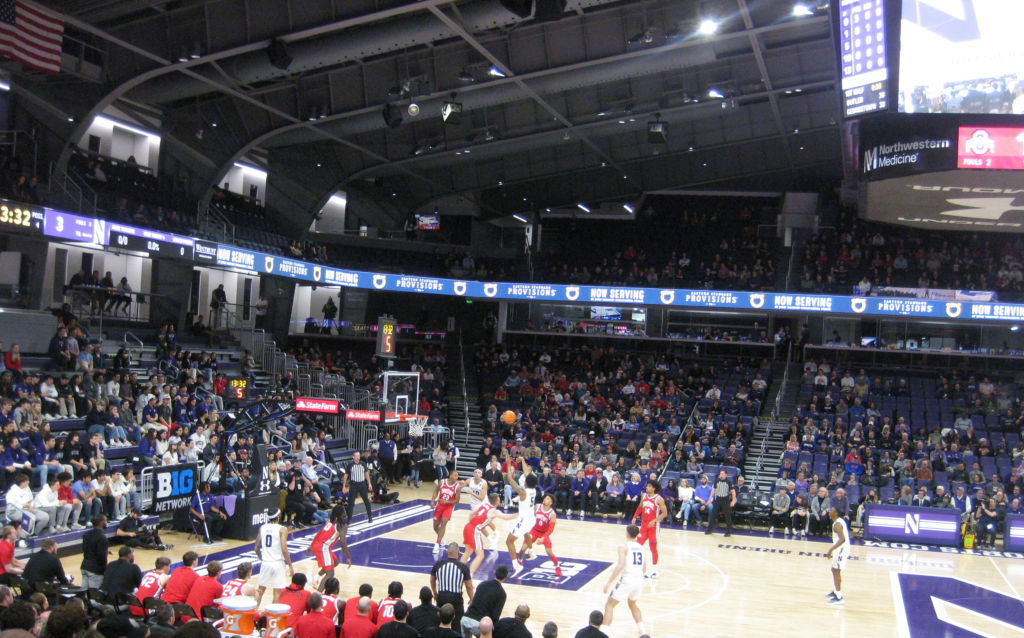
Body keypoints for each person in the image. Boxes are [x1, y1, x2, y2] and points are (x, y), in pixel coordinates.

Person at [601, 525, 646, 636]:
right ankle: (643, 632)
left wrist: (609, 582)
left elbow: (621, 565)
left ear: (627, 534)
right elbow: (644, 568)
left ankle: (604, 633)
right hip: (639, 580)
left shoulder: (623, 547)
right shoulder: (641, 547)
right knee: (632, 604)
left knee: (609, 605)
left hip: (628, 579)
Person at [501, 449, 538, 578]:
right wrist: (522, 460)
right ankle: (531, 551)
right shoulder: (533, 490)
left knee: (509, 542)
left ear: (526, 481)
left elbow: (510, 479)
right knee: (526, 533)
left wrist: (508, 464)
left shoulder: (523, 492)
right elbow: (527, 473)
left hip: (525, 519)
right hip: (532, 518)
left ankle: (517, 565)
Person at [462, 494, 517, 577]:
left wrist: (471, 524)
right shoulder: (494, 511)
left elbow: (471, 514)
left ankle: (458, 572)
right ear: (497, 501)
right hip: (473, 530)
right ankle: (469, 577)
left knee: (467, 552)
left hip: (467, 527)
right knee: (480, 555)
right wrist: (519, 513)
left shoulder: (484, 504)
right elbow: (506, 517)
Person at [430, 542, 474, 625]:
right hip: (456, 599)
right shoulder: (463, 567)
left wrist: (435, 593)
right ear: (458, 552)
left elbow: (432, 580)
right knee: (457, 625)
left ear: (447, 552)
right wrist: (471, 598)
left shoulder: (438, 564)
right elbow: (469, 586)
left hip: (442, 598)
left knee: (441, 622)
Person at [631, 479, 667, 579]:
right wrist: (635, 516)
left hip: (653, 527)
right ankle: (640, 568)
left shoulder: (659, 499)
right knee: (638, 546)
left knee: (653, 547)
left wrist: (654, 520)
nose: (647, 487)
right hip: (644, 525)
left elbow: (664, 513)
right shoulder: (644, 496)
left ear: (654, 488)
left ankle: (654, 570)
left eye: (649, 486)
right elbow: (640, 507)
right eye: (647, 486)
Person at [256, 509, 293, 605]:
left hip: (266, 562)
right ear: (278, 516)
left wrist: (262, 559)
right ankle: (273, 617)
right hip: (278, 562)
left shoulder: (262, 528)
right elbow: (284, 549)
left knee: (260, 591)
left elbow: (256, 548)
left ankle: (252, 614)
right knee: (277, 594)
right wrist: (290, 566)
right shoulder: (282, 529)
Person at [310, 505, 351, 590]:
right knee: (330, 574)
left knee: (335, 562)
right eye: (344, 511)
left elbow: (319, 532)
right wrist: (348, 557)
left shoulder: (330, 521)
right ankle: (318, 596)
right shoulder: (342, 525)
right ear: (341, 513)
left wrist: (311, 545)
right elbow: (343, 543)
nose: (345, 512)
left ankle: (315, 579)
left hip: (319, 545)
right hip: (323, 547)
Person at [517, 494, 559, 576]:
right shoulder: (537, 506)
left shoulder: (552, 514)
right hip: (534, 530)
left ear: (551, 502)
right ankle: (519, 562)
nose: (544, 499)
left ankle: (557, 567)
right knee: (523, 549)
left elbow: (551, 529)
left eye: (547, 499)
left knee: (549, 551)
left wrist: (543, 538)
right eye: (545, 498)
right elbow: (528, 513)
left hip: (544, 533)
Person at [461, 564, 507, 638]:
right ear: (506, 577)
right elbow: (495, 616)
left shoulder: (482, 584)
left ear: (494, 573)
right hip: (480, 624)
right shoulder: (502, 594)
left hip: (465, 619)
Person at [431, 471, 462, 553]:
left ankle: (437, 544)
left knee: (444, 522)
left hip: (449, 507)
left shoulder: (457, 487)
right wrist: (432, 501)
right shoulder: (442, 482)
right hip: (439, 506)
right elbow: (435, 491)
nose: (457, 477)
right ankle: (441, 538)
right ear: (450, 476)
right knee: (435, 526)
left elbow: (457, 501)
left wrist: (447, 502)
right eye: (455, 475)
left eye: (457, 475)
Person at [825, 507, 850, 605]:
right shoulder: (838, 521)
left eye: (831, 510)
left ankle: (839, 597)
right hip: (840, 549)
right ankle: (835, 591)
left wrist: (831, 549)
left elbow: (842, 539)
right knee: (834, 569)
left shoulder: (837, 525)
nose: (829, 511)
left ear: (835, 513)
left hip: (841, 549)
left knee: (836, 570)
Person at [345, 451, 374, 524]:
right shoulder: (350, 465)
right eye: (356, 456)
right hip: (354, 484)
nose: (357, 457)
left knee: (366, 501)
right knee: (351, 502)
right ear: (353, 457)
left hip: (362, 484)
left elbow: (366, 474)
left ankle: (370, 517)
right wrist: (344, 486)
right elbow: (346, 475)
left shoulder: (363, 464)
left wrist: (369, 483)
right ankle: (349, 518)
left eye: (358, 456)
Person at [80, 515, 108, 588]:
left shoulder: (86, 534)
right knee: (94, 595)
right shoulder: (102, 537)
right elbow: (101, 556)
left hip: (84, 566)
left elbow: (86, 549)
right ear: (101, 523)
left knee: (84, 593)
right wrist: (104, 570)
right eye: (105, 521)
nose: (106, 523)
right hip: (95, 569)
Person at [704, 470, 735, 537]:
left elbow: (733, 492)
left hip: (725, 500)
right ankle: (709, 529)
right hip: (718, 499)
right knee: (713, 515)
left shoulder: (728, 482)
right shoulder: (717, 481)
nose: (721, 475)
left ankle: (728, 532)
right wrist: (710, 499)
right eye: (720, 474)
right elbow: (713, 490)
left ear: (726, 475)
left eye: (723, 474)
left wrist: (733, 501)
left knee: (727, 516)